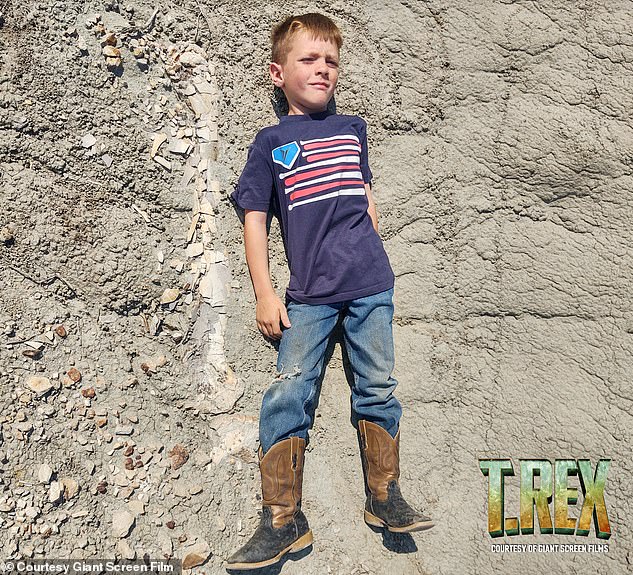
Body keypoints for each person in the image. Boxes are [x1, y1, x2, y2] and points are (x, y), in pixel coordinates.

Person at [226, 12, 434, 570]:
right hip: (310, 296)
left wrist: (370, 230)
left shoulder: (352, 130)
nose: (323, 69)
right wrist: (264, 292)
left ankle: (383, 496)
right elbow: (253, 217)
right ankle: (281, 520)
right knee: (289, 393)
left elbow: (365, 196)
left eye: (331, 61)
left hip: (370, 285)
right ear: (278, 72)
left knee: (378, 387)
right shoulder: (271, 141)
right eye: (309, 60)